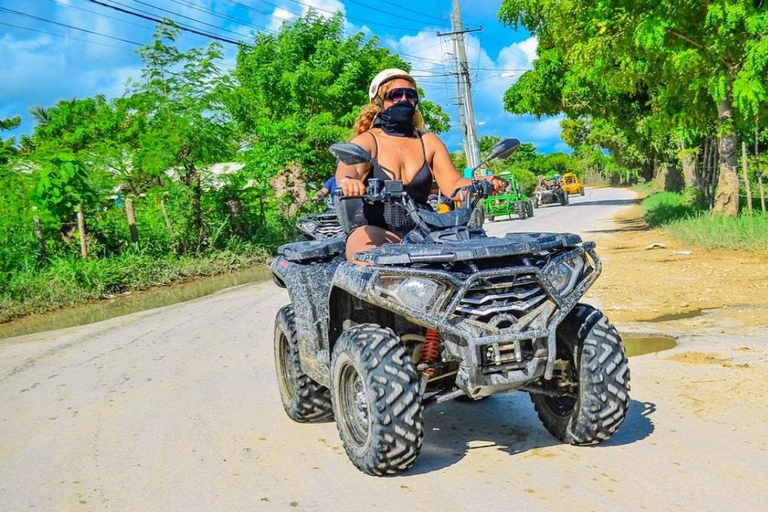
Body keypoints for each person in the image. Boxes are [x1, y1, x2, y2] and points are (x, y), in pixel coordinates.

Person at [335, 68, 506, 263]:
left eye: (410, 95)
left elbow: (454, 186)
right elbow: (348, 170)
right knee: (365, 259)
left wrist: (483, 182)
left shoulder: (429, 141)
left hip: (423, 229)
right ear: (379, 101)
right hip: (376, 228)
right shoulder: (367, 141)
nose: (404, 99)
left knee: (468, 262)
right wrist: (348, 181)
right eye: (396, 94)